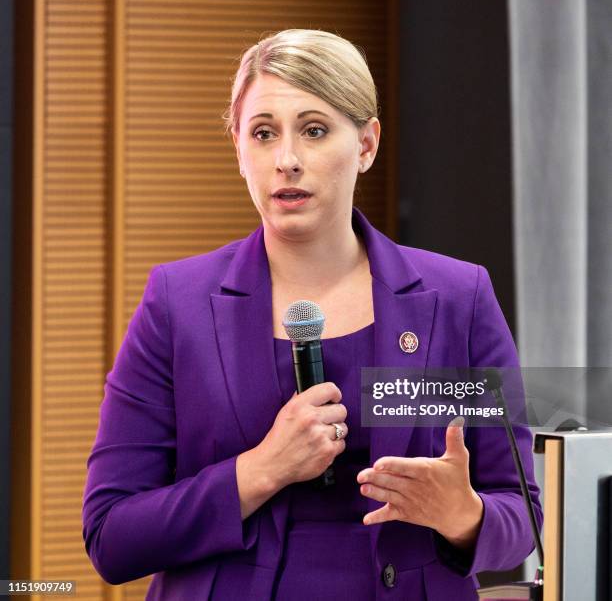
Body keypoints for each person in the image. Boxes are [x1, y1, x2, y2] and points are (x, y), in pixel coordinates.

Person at [82, 29, 542, 600]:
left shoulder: (456, 298)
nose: (288, 160)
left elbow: (519, 521)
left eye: (315, 130)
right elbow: (112, 535)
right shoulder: (177, 301)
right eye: (264, 133)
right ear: (239, 150)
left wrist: (463, 513)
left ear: (367, 144)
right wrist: (258, 472)